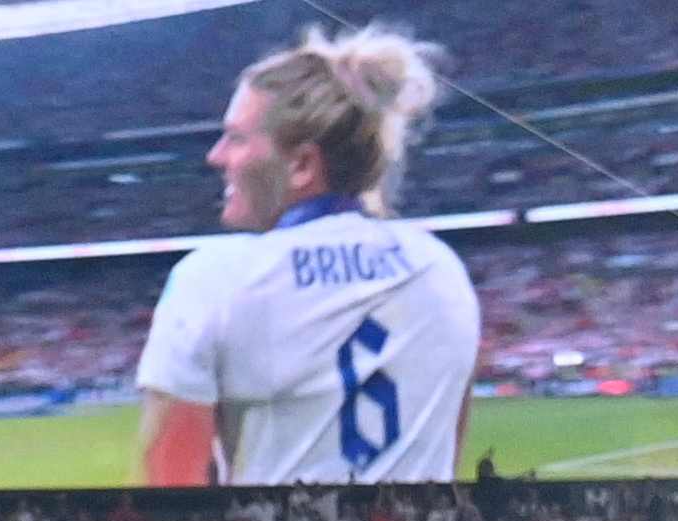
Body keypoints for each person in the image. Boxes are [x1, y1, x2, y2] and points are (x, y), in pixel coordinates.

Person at [132, 25, 479, 486]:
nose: (217, 156)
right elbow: (444, 460)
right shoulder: (441, 268)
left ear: (301, 165)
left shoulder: (214, 278)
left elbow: (170, 491)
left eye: (236, 138)